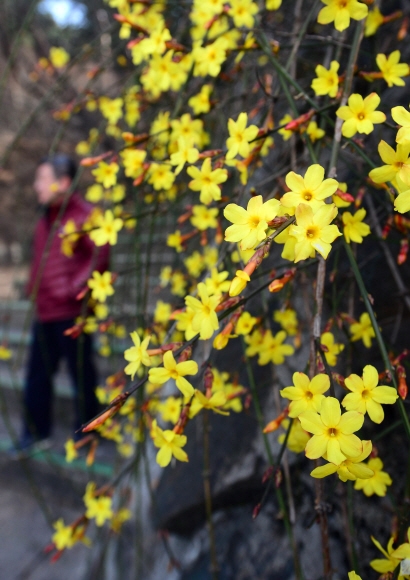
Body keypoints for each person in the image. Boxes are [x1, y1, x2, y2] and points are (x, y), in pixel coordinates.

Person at [15, 154, 109, 456]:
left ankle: (88, 433)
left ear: (63, 182)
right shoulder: (48, 216)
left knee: (82, 374)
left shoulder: (84, 214)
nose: (36, 185)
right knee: (37, 376)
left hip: (71, 312)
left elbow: (100, 256)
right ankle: (35, 432)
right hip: (45, 311)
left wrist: (71, 290)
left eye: (42, 179)